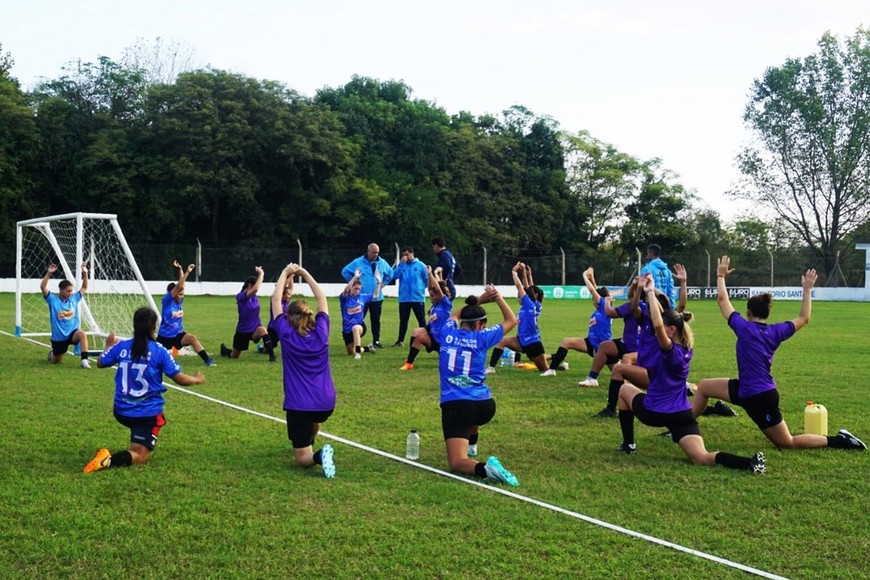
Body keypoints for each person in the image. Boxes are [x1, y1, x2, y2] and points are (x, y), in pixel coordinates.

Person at [691, 256, 866, 451]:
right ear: (767, 313)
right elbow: (804, 318)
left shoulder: (744, 328)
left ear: (748, 312)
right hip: (746, 389)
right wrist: (807, 290)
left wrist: (720, 275)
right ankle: (684, 428)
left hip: (759, 397)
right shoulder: (775, 331)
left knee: (786, 443)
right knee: (705, 386)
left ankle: (841, 440)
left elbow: (722, 300)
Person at [615, 275, 767, 474]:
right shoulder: (685, 347)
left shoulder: (668, 350)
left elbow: (659, 325)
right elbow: (663, 321)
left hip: (655, 411)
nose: (655, 327)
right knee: (701, 457)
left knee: (625, 389)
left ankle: (629, 445)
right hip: (681, 414)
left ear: (670, 331)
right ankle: (749, 463)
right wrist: (650, 294)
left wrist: (650, 291)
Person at [83, 307, 206, 473]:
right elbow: (180, 379)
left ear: (135, 326)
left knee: (134, 422)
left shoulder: (122, 347)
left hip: (120, 411)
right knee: (139, 456)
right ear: (154, 327)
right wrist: (196, 379)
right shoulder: (159, 350)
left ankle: (137, 435)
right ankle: (107, 460)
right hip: (146, 415)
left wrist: (108, 345)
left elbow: (101, 362)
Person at [434, 288, 520, 484]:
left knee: (457, 462)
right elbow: (511, 320)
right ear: (480, 324)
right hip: (485, 406)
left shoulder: (446, 331)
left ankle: (486, 469)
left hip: (456, 406)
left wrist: (477, 302)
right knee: (470, 417)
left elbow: (455, 314)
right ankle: (471, 446)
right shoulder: (481, 338)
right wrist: (496, 297)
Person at [271, 263, 337, 478]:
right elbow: (322, 300)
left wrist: (284, 272)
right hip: (326, 404)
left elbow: (275, 301)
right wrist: (305, 273)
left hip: (300, 406)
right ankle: (309, 439)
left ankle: (317, 456)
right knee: (312, 420)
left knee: (302, 459)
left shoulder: (286, 335)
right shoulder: (321, 333)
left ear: (290, 317)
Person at [487, 262, 551, 377]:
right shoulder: (533, 304)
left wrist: (514, 272)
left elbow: (521, 287)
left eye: (519, 295)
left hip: (533, 342)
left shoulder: (529, 304)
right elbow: (529, 288)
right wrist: (526, 274)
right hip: (521, 340)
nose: (518, 296)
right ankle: (491, 368)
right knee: (502, 341)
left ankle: (557, 363)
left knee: (544, 369)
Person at [546, 266, 612, 376]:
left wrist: (585, 275)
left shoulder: (605, 306)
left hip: (602, 347)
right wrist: (592, 277)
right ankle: (552, 370)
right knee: (566, 342)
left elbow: (592, 290)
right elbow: (595, 291)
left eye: (593, 299)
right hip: (590, 342)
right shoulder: (601, 307)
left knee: (617, 370)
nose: (592, 301)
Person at [156, 260, 215, 366]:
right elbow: (179, 286)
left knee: (192, 338)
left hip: (178, 334)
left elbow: (181, 286)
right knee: (154, 356)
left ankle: (208, 360)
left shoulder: (180, 300)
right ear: (172, 293)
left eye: (183, 294)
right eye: (180, 294)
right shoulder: (167, 300)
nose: (182, 296)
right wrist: (187, 272)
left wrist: (180, 270)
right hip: (164, 336)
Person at [399, 265, 452, 371]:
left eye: (433, 296)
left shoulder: (445, 304)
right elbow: (431, 288)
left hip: (441, 339)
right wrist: (429, 278)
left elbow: (437, 288)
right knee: (417, 331)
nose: (431, 298)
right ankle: (410, 359)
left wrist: (430, 274)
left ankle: (409, 363)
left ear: (439, 295)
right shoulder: (436, 305)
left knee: (419, 337)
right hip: (433, 334)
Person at [341, 243, 393, 348]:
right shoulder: (358, 262)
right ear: (368, 251)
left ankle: (376, 341)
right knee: (358, 319)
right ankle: (355, 340)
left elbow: (390, 273)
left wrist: (383, 284)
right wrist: (354, 282)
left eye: (377, 252)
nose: (376, 254)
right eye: (374, 252)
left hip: (376, 298)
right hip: (361, 298)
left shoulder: (382, 263)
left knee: (376, 320)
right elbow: (345, 271)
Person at [41, 262, 91, 368]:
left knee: (82, 334)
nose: (70, 293)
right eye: (68, 291)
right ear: (61, 290)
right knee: (56, 361)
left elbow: (84, 287)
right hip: (59, 338)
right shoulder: (53, 300)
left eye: (71, 291)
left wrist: (85, 274)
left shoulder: (73, 299)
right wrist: (49, 274)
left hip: (72, 333)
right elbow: (43, 287)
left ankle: (84, 361)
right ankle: (51, 354)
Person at [220, 266, 275, 361]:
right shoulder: (240, 297)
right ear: (249, 285)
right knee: (234, 356)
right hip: (243, 330)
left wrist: (259, 275)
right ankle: (225, 351)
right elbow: (256, 289)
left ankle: (272, 356)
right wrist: (261, 274)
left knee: (263, 330)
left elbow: (255, 289)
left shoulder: (254, 297)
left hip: (255, 328)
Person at [391, 246, 429, 347]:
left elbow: (427, 279)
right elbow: (394, 276)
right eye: (404, 255)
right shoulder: (402, 265)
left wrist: (420, 288)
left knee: (421, 320)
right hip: (404, 298)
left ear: (412, 254)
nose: (405, 257)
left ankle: (426, 339)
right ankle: (400, 340)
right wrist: (401, 265)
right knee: (403, 320)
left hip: (417, 298)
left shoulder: (421, 265)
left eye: (407, 254)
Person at [340, 268, 381, 359]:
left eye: (359, 289)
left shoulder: (362, 297)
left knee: (355, 328)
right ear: (351, 287)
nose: (357, 291)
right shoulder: (345, 298)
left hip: (359, 326)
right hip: (347, 329)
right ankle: (367, 349)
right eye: (355, 288)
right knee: (351, 352)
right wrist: (355, 277)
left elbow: (375, 295)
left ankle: (358, 353)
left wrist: (378, 282)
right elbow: (346, 290)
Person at [640, 244, 676, 309]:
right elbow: (671, 290)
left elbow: (642, 289)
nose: (647, 255)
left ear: (652, 253)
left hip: (651, 305)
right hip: (665, 305)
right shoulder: (668, 271)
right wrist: (672, 307)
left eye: (648, 253)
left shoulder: (647, 269)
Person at [431, 236, 460, 301]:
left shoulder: (443, 255)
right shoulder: (449, 254)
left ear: (436, 246)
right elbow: (458, 269)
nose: (433, 249)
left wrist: (443, 281)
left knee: (438, 309)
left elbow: (447, 266)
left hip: (445, 289)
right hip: (450, 287)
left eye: (433, 247)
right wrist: (451, 279)